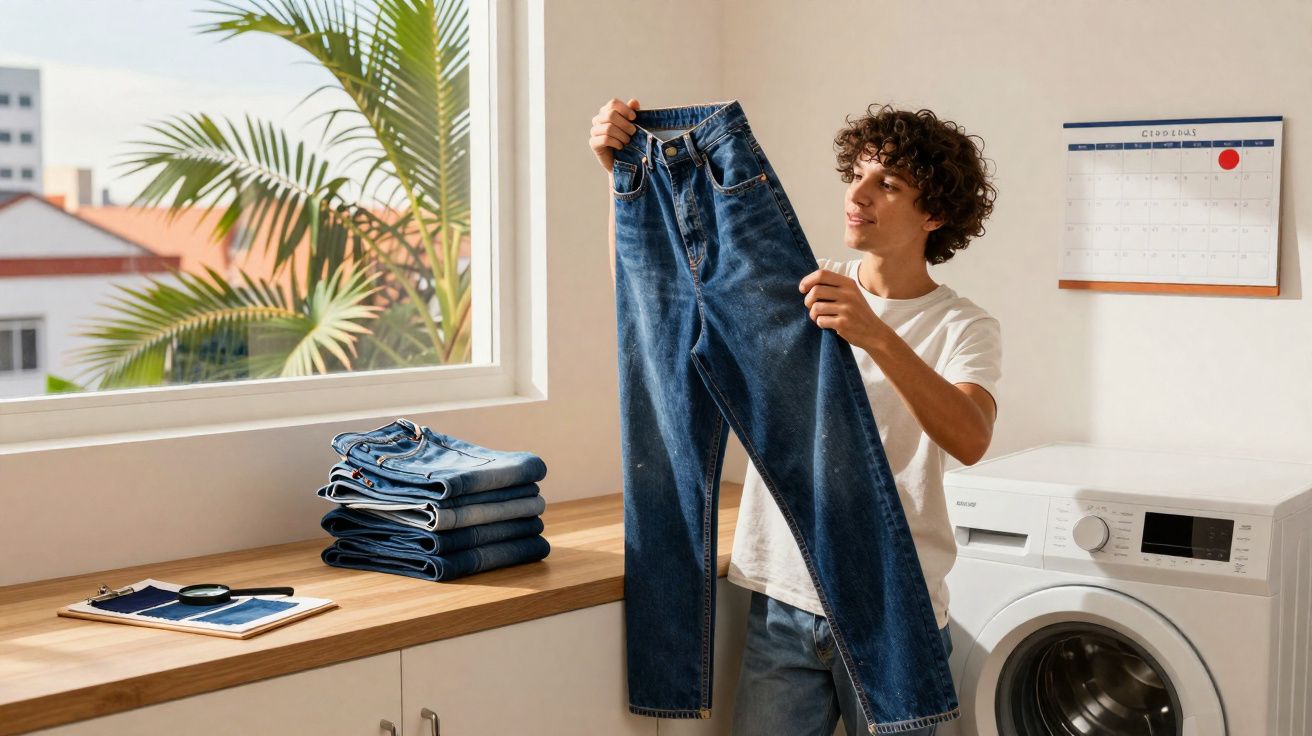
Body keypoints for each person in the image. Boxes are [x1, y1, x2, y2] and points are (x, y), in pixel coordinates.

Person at [590, 98, 1001, 736]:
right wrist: (626, 179)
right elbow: (667, 299)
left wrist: (875, 335)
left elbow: (971, 438)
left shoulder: (962, 325)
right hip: (781, 603)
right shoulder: (804, 285)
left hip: (896, 607)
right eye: (857, 174)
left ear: (936, 214)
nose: (857, 193)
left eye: (887, 183)